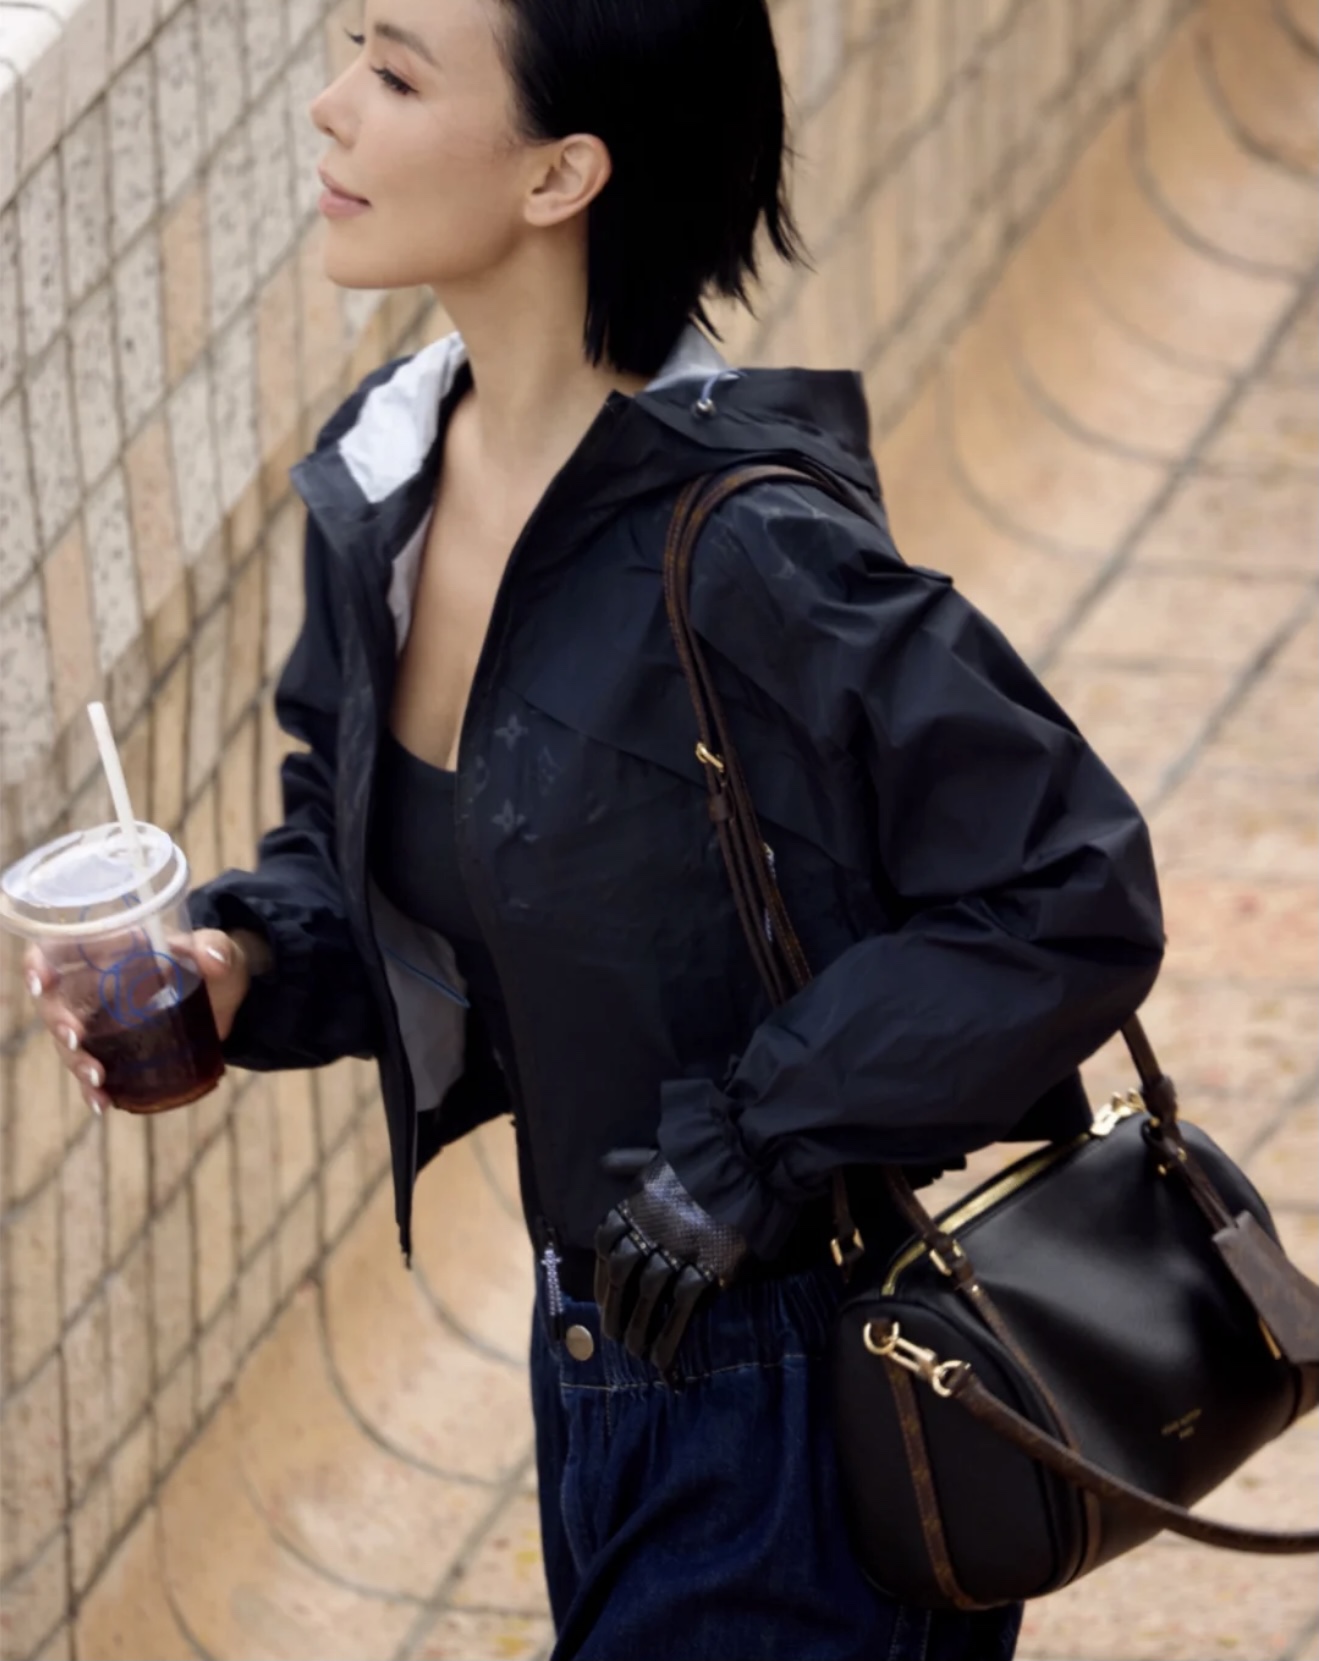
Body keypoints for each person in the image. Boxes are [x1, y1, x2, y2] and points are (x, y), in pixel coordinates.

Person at [27, 1, 1166, 1655]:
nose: (330, 108)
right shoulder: (389, 482)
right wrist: (236, 964)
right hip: (599, 1369)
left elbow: (1070, 889)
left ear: (562, 174)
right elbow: (381, 863)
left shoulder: (751, 551)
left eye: (394, 73)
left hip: (796, 1395)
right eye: (350, 50)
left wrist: (749, 1148)